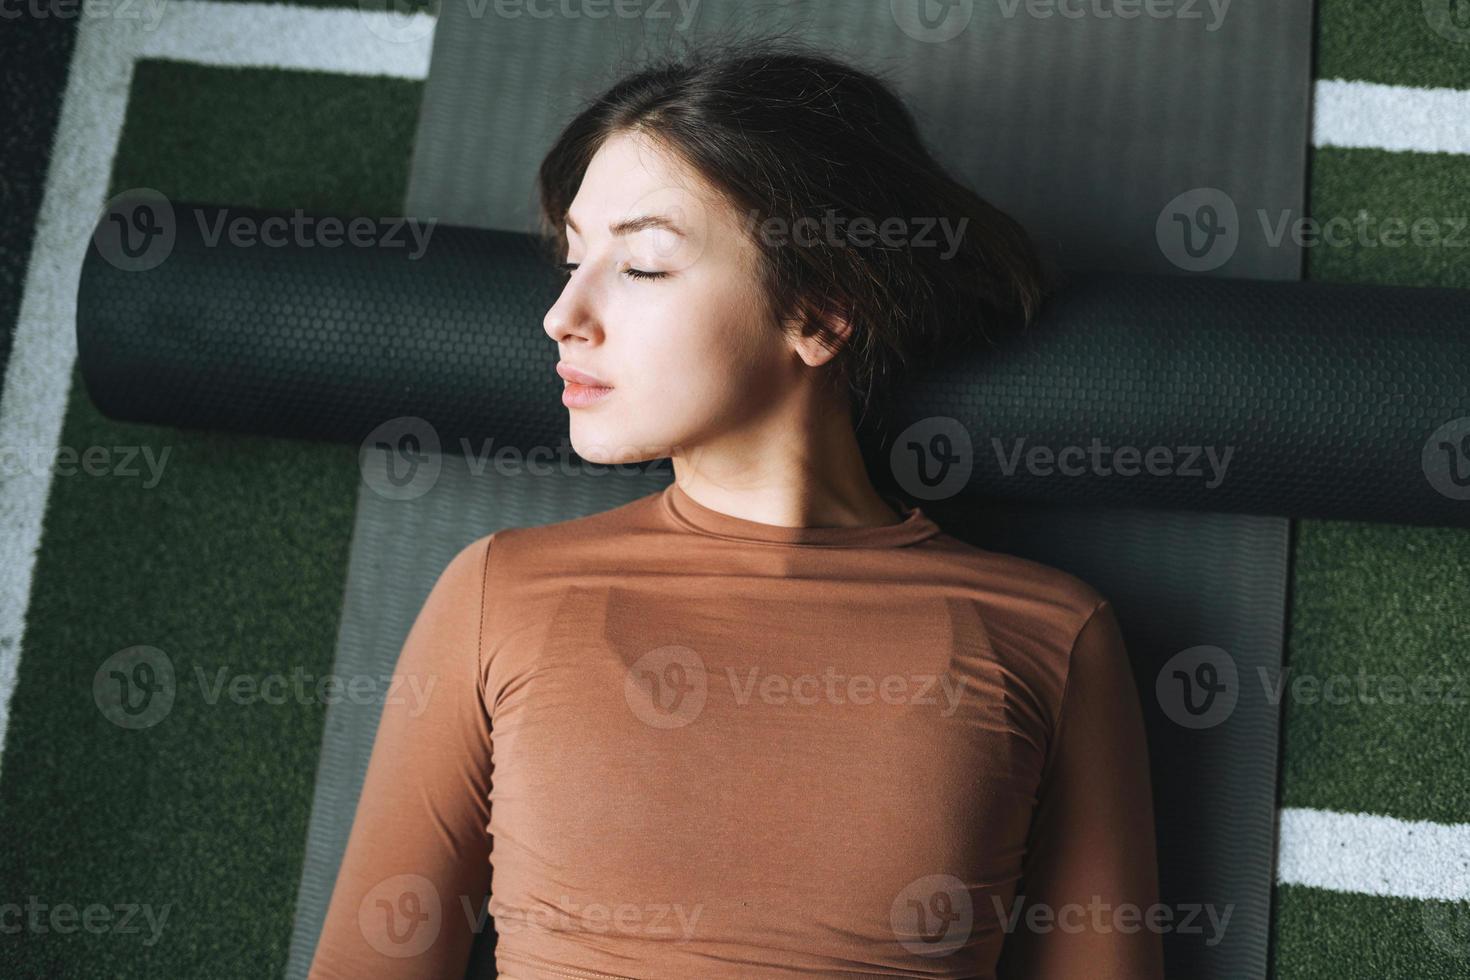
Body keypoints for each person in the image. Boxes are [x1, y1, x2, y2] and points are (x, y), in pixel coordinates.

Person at [309, 34, 1163, 980]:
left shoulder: (1048, 634)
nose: (563, 315)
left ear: (821, 314)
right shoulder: (497, 595)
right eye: (570, 260)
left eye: (640, 267)